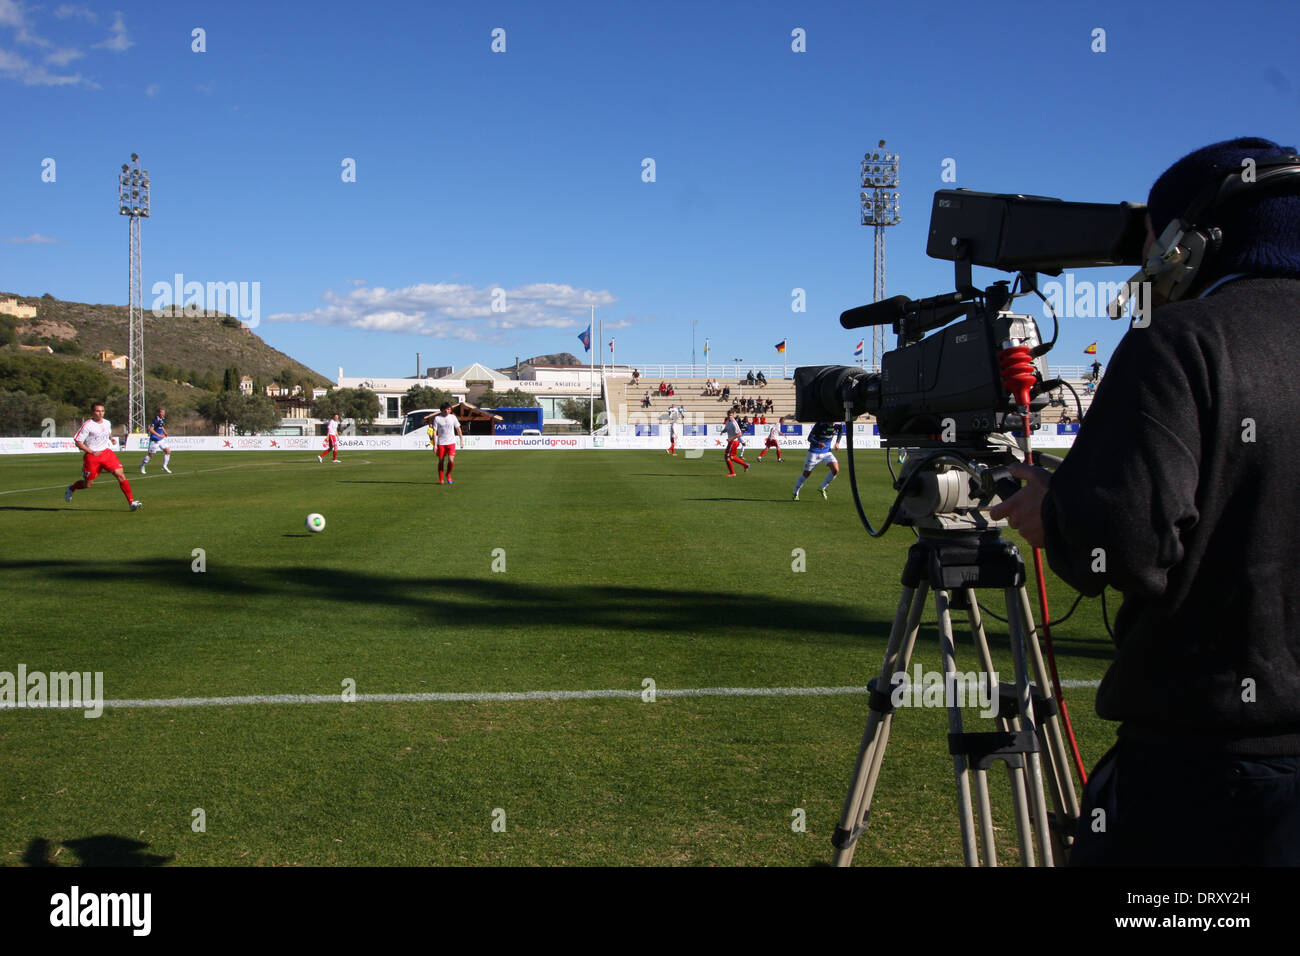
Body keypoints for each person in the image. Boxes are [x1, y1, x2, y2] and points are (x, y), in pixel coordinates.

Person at [990, 136, 1300, 866]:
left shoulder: (1183, 339)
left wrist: (1054, 513)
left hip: (1212, 777)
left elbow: (1123, 545)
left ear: (1192, 244)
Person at [64, 402, 142, 511]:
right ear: (92, 412)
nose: (100, 413)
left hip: (106, 453)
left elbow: (107, 432)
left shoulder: (107, 423)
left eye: (102, 411)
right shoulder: (87, 425)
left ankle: (131, 502)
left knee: (120, 475)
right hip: (92, 457)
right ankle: (71, 488)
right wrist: (90, 451)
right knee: (87, 484)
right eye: (97, 411)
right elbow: (78, 442)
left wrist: (111, 438)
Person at [793, 421, 842, 500]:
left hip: (827, 452)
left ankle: (822, 487)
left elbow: (840, 430)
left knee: (836, 470)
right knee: (806, 474)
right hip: (814, 452)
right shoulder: (820, 424)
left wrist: (837, 443)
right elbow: (809, 438)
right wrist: (818, 443)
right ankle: (795, 492)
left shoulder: (838, 423)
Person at [428, 402, 463, 485]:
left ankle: (448, 474)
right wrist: (435, 445)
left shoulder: (453, 417)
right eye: (446, 409)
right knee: (441, 461)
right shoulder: (437, 418)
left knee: (451, 461)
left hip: (451, 442)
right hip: (441, 443)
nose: (447, 411)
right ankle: (441, 479)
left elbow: (458, 429)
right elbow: (434, 432)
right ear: (442, 410)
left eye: (449, 409)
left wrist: (461, 440)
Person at [139, 406, 172, 474]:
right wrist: (159, 435)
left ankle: (164, 466)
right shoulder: (155, 419)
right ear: (158, 413)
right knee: (151, 455)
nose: (162, 413)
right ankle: (142, 466)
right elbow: (150, 429)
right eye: (161, 412)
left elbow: (161, 426)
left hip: (160, 440)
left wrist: (165, 432)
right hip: (154, 439)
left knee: (168, 451)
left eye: (163, 412)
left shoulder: (162, 419)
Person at [721, 410, 748, 476]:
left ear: (733, 415)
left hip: (733, 441)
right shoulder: (727, 421)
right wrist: (723, 431)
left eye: (731, 415)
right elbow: (727, 429)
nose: (729, 416)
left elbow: (739, 434)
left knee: (727, 457)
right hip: (732, 442)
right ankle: (745, 465)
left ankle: (733, 473)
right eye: (728, 415)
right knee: (731, 457)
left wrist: (731, 439)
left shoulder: (734, 423)